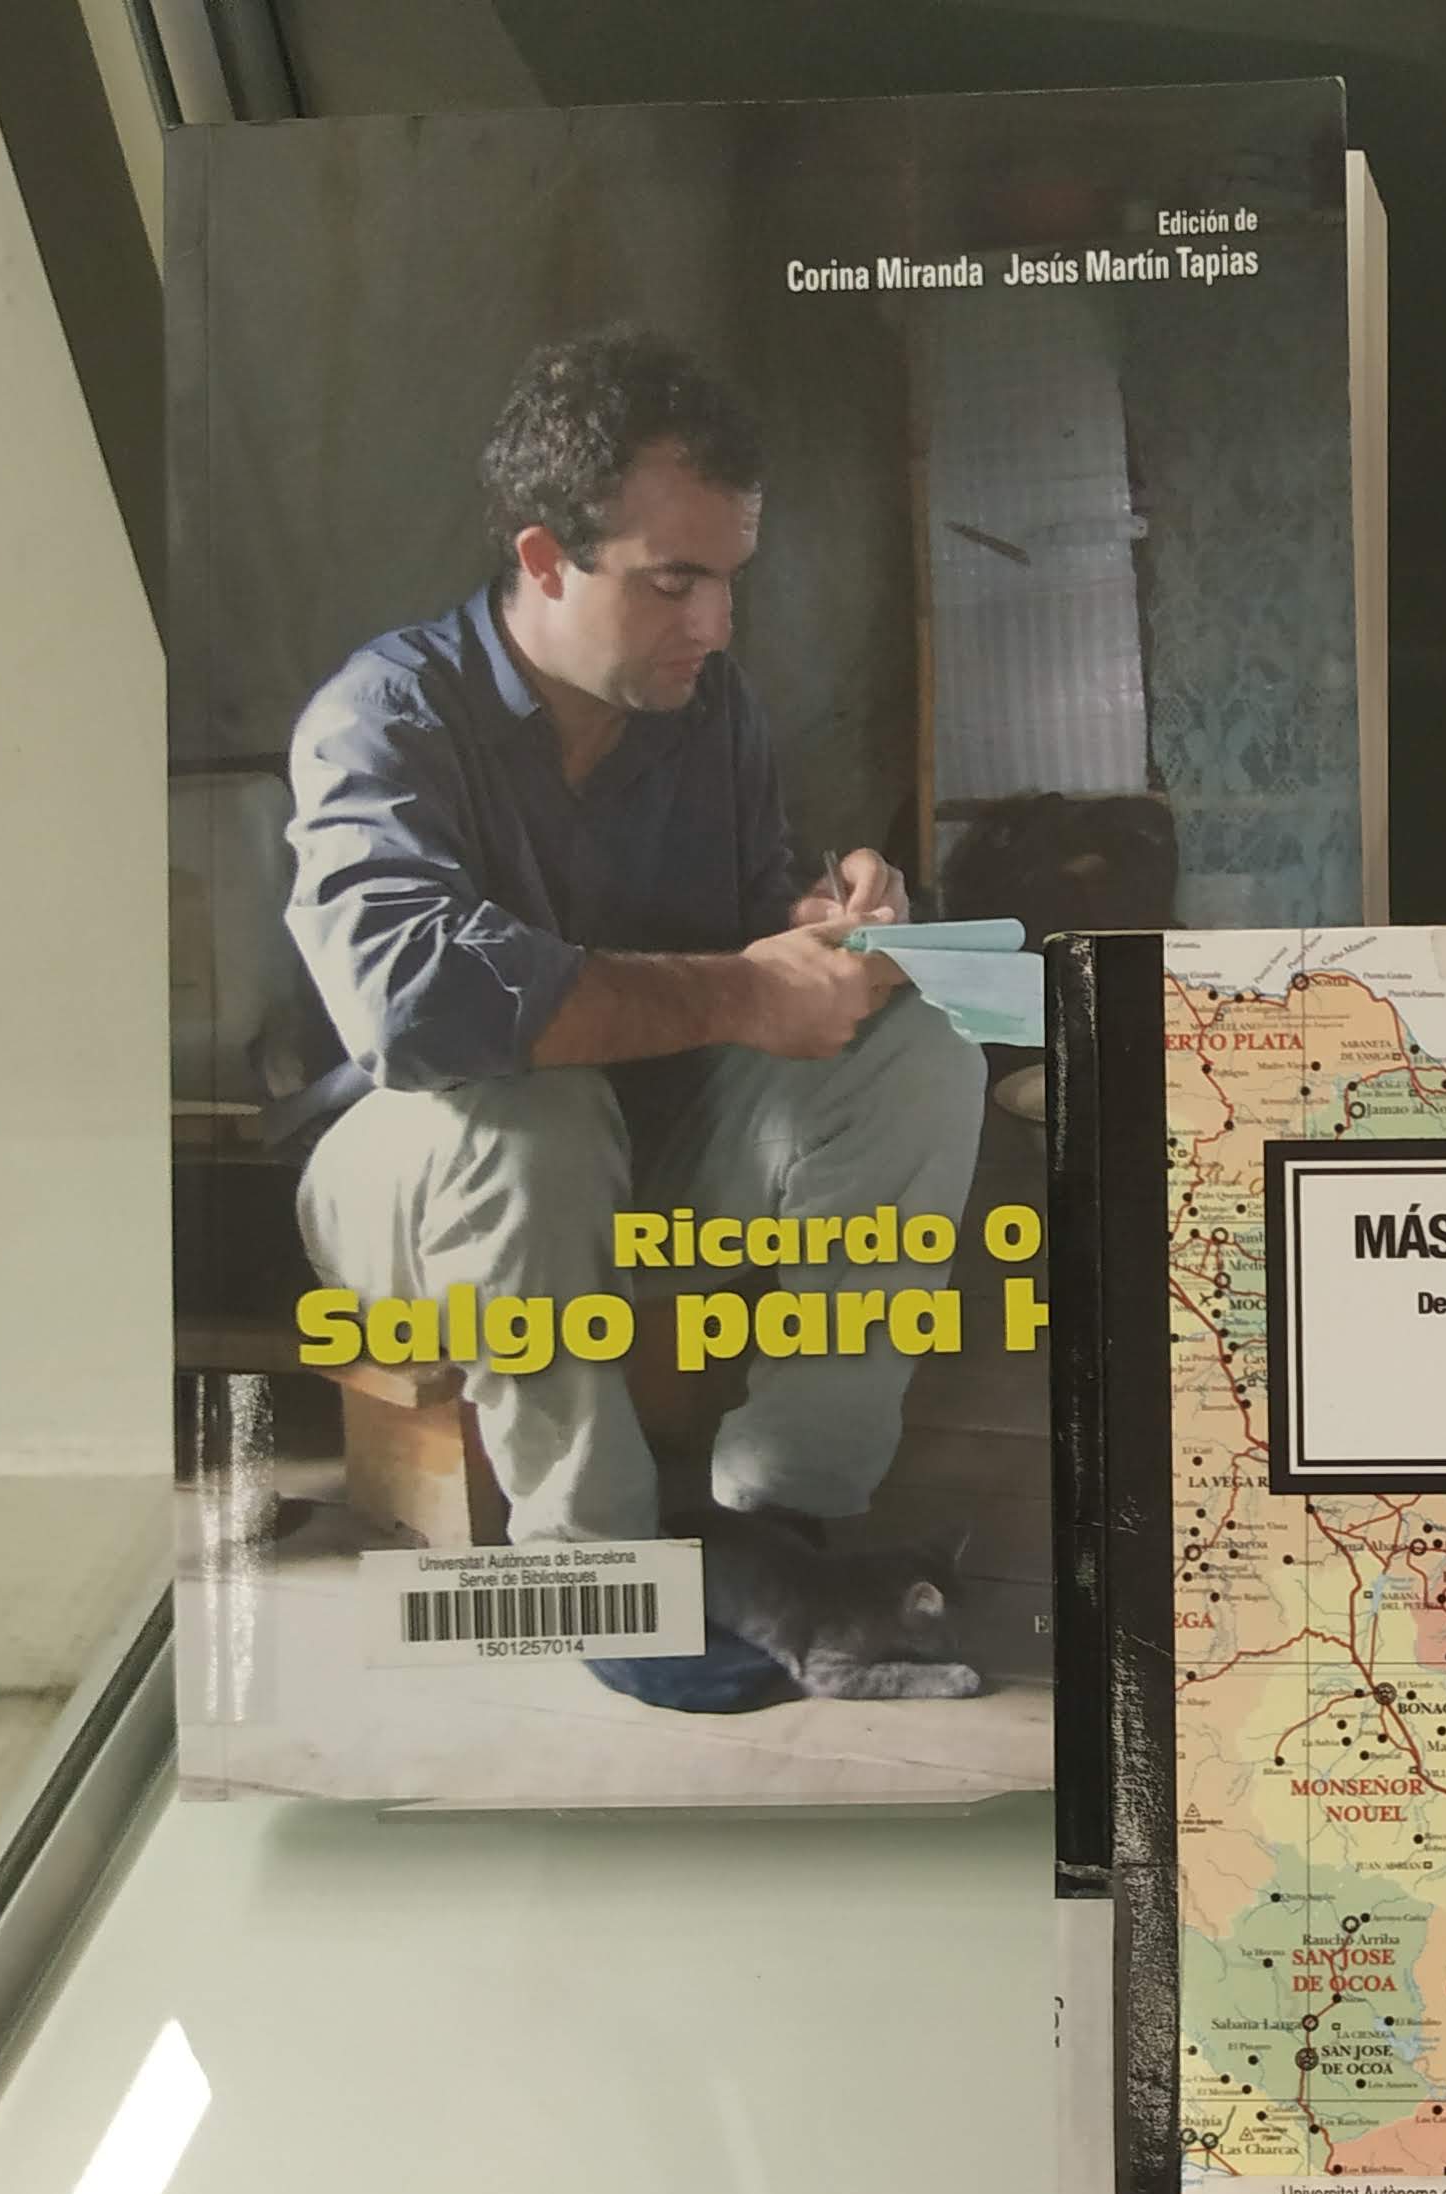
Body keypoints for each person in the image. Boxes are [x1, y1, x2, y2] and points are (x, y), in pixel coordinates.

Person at [277, 325, 987, 1708]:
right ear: (546, 559)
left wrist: (832, 922)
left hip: (640, 1153)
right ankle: (589, 1565)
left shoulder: (708, 710)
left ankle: (782, 1516)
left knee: (918, 1054)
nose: (714, 625)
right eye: (675, 582)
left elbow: (751, 924)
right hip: (409, 1184)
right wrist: (746, 988)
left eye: (729, 581)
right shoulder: (381, 716)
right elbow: (412, 1000)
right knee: (525, 1107)